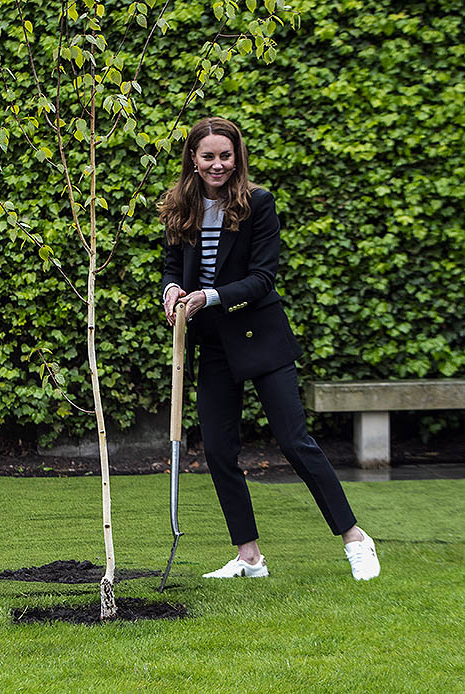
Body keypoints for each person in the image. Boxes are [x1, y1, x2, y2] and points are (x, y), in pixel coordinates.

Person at [159, 116, 380, 581]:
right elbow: (171, 265)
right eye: (208, 156)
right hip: (214, 344)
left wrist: (209, 296)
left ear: (236, 156)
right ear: (193, 160)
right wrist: (173, 290)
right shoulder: (181, 205)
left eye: (225, 155)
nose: (217, 164)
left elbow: (263, 279)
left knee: (294, 441)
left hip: (261, 338)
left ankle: (356, 538)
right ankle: (249, 557)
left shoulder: (258, 203)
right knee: (220, 451)